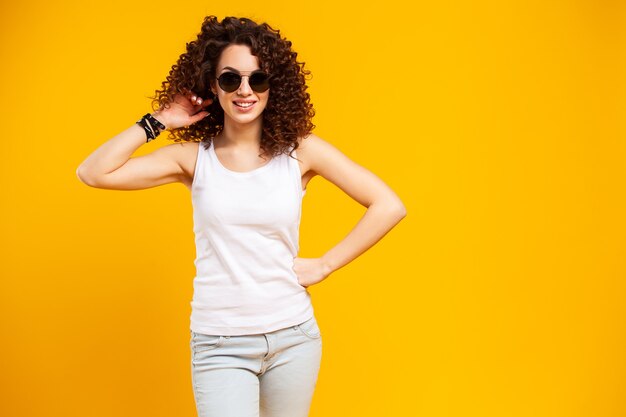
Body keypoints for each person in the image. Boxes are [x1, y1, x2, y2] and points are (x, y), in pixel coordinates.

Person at [76, 15, 406, 417]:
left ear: (273, 85)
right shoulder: (193, 159)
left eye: (258, 79)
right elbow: (93, 172)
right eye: (230, 79)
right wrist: (161, 120)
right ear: (213, 87)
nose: (245, 91)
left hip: (293, 337)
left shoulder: (301, 152)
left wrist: (325, 265)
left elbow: (389, 205)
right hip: (220, 343)